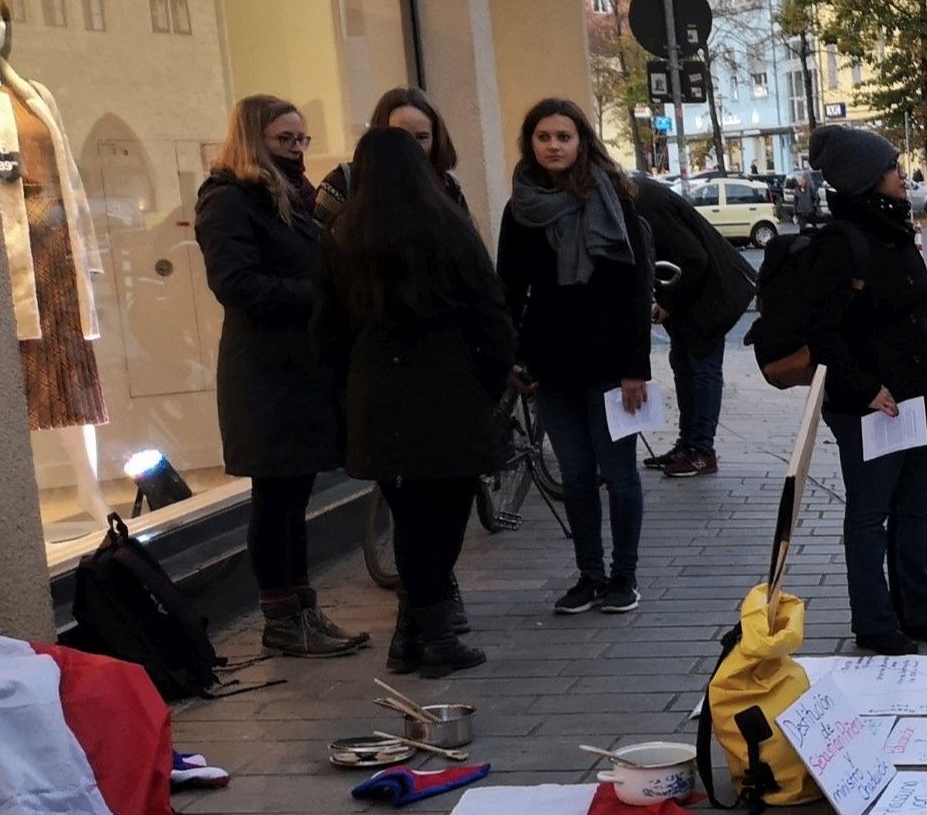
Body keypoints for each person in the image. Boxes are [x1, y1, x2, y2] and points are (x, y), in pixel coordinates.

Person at [314, 127, 513, 678]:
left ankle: (410, 636)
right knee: (445, 518)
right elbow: (490, 309)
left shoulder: (340, 236)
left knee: (408, 520)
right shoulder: (449, 226)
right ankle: (438, 637)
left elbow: (326, 330)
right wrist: (492, 382)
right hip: (449, 392)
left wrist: (345, 393)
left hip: (378, 395)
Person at [199, 93, 367, 658]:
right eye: (284, 141)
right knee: (275, 499)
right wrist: (320, 296)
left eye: (302, 140)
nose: (297, 151)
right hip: (266, 375)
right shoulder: (228, 200)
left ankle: (304, 609)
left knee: (294, 497)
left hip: (301, 369)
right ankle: (281, 616)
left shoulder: (294, 196)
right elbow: (237, 285)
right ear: (254, 141)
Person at [803, 124, 927, 656]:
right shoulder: (841, 242)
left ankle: (918, 611)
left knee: (913, 507)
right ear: (869, 179)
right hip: (867, 404)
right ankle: (874, 620)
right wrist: (866, 388)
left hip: (912, 397)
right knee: (870, 513)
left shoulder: (894, 228)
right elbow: (819, 331)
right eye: (893, 167)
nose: (903, 175)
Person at [498, 98, 652, 617]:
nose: (554, 146)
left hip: (612, 366)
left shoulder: (614, 199)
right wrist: (514, 358)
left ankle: (623, 576)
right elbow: (509, 288)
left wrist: (637, 367)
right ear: (530, 143)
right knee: (577, 475)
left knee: (620, 473)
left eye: (564, 136)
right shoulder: (520, 209)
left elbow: (636, 287)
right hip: (552, 365)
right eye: (544, 137)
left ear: (582, 140)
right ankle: (588, 575)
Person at [629, 172, 756, 478]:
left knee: (701, 370)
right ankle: (688, 445)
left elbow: (693, 258)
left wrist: (669, 303)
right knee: (685, 367)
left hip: (712, 296)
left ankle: (701, 451)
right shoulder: (639, 196)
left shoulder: (643, 203)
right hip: (698, 297)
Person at [315, 87, 468, 227]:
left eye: (421, 137)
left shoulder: (448, 186)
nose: (411, 145)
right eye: (401, 135)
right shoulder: (343, 183)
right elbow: (315, 248)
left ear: (436, 140)